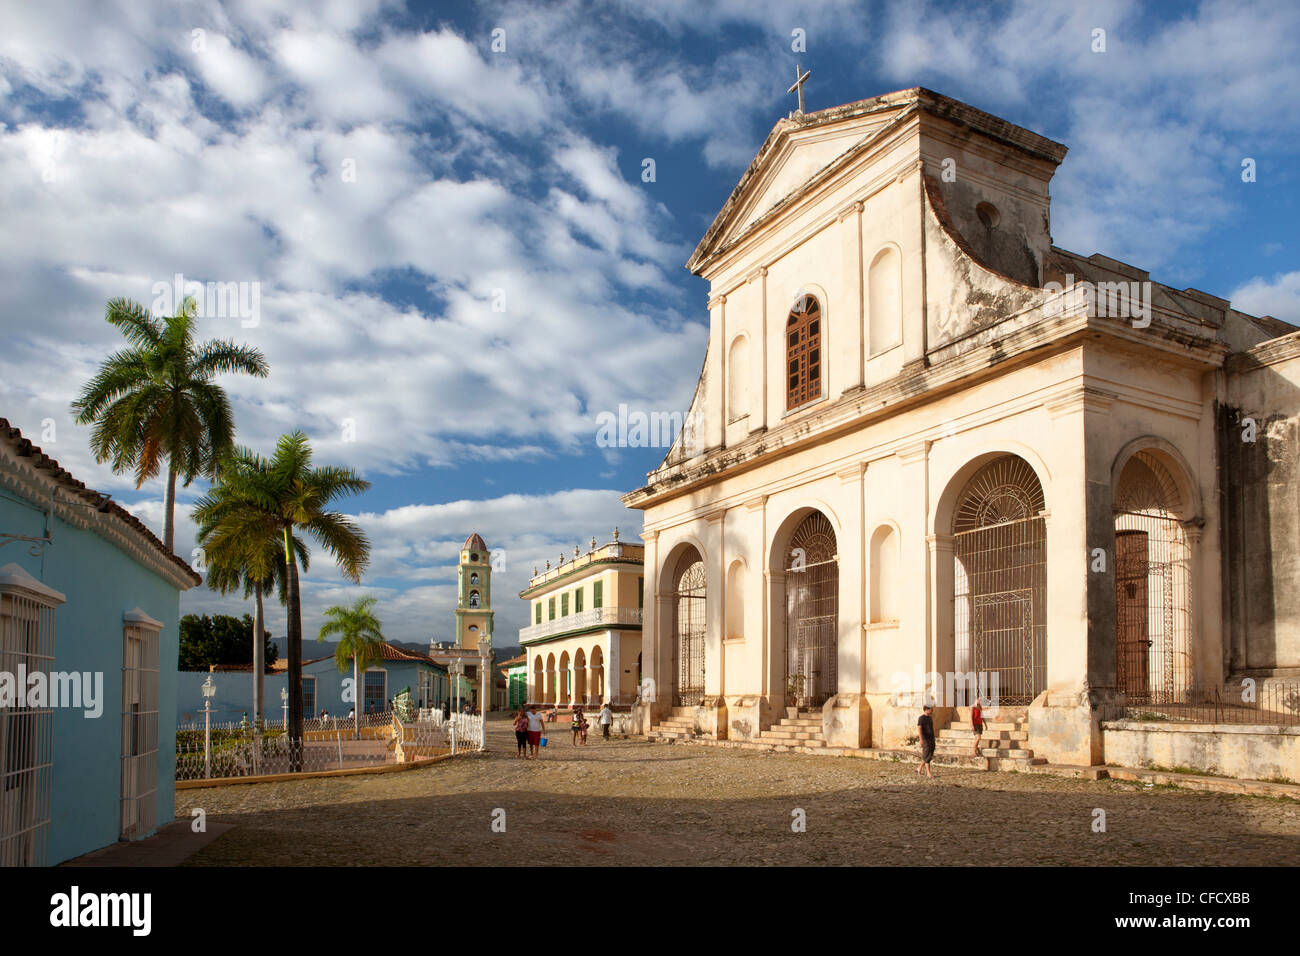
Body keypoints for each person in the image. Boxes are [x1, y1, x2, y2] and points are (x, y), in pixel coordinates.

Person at [916, 703, 936, 778]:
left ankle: (919, 768)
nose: (932, 710)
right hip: (925, 739)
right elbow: (919, 728)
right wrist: (921, 739)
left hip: (931, 738)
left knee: (929, 754)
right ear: (927, 709)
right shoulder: (921, 718)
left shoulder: (930, 718)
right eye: (931, 709)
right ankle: (928, 772)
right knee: (927, 754)